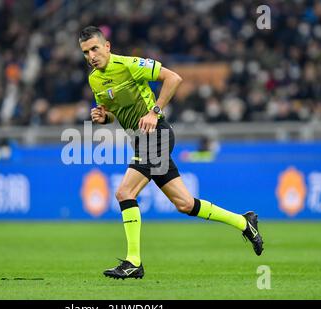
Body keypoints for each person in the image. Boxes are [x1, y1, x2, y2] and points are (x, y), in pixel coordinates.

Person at [79, 26, 264, 279]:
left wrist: (154, 112)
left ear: (107, 46)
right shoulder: (94, 79)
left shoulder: (129, 64)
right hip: (141, 140)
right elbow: (114, 112)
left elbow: (174, 78)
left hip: (156, 136)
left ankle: (133, 261)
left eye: (95, 48)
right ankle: (245, 223)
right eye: (86, 52)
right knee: (185, 204)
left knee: (124, 192)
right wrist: (104, 117)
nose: (91, 55)